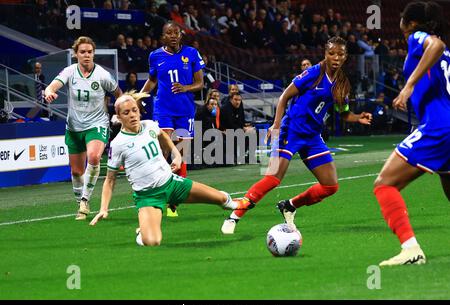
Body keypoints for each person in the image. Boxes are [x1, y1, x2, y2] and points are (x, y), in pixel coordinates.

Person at [221, 36, 373, 234]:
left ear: (346, 57)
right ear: (325, 54)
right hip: (290, 130)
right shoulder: (313, 73)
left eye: (340, 54)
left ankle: (289, 206)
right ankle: (235, 215)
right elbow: (284, 96)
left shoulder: (342, 83)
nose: (336, 57)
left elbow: (343, 113)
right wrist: (276, 124)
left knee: (330, 186)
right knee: (273, 178)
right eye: (331, 53)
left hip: (312, 137)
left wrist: (357, 117)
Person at [89, 92, 246, 246]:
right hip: (148, 197)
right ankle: (142, 231)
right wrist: (103, 208)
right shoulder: (118, 144)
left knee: (222, 200)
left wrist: (176, 154)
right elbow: (110, 180)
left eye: (134, 110)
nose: (132, 115)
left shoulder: (149, 125)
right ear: (119, 116)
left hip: (172, 184)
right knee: (153, 241)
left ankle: (232, 205)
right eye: (126, 112)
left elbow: (163, 136)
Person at [373, 1, 450, 266]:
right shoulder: (447, 54)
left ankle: (411, 249)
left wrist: (408, 86)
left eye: (403, 18)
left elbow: (435, 45)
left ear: (411, 23)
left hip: (439, 127)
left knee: (384, 184)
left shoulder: (418, 38)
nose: (400, 22)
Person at [44, 36, 122, 220]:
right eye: (82, 52)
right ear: (75, 54)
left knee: (94, 156)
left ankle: (85, 200)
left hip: (97, 124)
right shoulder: (70, 72)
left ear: (93, 54)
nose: (86, 55)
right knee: (76, 172)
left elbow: (118, 93)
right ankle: (80, 200)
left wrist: (119, 112)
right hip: (74, 126)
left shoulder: (102, 74)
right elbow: (52, 86)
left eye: (89, 52)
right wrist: (49, 92)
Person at [140, 22, 205, 217]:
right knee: (164, 148)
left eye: (176, 32)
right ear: (163, 37)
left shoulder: (192, 53)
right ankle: (156, 192)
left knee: (181, 153)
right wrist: (139, 97)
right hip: (164, 109)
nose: (174, 36)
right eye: (169, 33)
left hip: (185, 110)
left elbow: (200, 83)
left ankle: (174, 200)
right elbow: (152, 80)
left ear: (180, 35)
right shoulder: (155, 56)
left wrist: (186, 88)